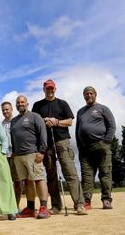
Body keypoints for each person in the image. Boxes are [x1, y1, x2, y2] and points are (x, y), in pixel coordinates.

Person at [32, 79, 87, 215]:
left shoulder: (62, 103)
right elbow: (35, 123)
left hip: (62, 141)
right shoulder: (38, 105)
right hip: (46, 144)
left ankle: (79, 204)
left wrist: (56, 122)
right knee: (51, 174)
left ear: (55, 89)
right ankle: (56, 206)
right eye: (47, 88)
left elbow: (69, 121)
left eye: (52, 88)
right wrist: (45, 120)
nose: (50, 90)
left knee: (70, 172)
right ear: (44, 90)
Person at [76, 86, 116, 210]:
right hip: (85, 150)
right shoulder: (80, 112)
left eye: (90, 93)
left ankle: (106, 200)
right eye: (86, 94)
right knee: (87, 177)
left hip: (101, 146)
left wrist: (106, 142)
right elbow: (78, 130)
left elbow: (111, 126)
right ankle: (87, 201)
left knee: (105, 174)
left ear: (95, 95)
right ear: (84, 96)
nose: (88, 95)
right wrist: (79, 146)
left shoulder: (103, 109)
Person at [10, 95, 50, 219]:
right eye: (18, 102)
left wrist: (41, 151)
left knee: (39, 179)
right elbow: (13, 138)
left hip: (33, 153)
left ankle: (44, 208)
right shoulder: (14, 120)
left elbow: (43, 134)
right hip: (18, 156)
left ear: (27, 104)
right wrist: (14, 152)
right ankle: (30, 208)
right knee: (27, 181)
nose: (20, 104)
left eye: (22, 102)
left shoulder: (35, 116)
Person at [1, 101, 22, 210]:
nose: (5, 112)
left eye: (7, 109)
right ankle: (9, 205)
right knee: (7, 182)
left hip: (17, 154)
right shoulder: (1, 124)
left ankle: (17, 206)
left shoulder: (17, 121)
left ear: (11, 109)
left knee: (17, 181)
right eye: (3, 110)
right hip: (5, 156)